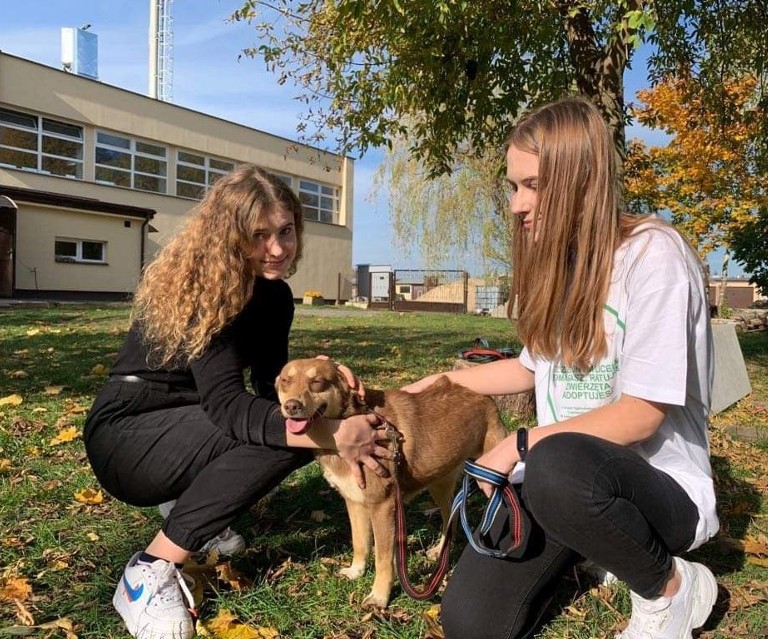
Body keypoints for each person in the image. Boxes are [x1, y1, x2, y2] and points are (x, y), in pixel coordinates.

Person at [403, 97, 719, 639]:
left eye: (533, 185)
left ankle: (672, 589)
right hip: (554, 483)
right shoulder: (559, 267)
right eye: (512, 186)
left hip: (655, 490)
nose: (516, 205)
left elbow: (641, 416)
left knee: (556, 460)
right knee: (471, 624)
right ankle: (592, 545)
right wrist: (439, 384)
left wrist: (521, 444)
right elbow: (530, 370)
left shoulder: (653, 256)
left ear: (582, 180)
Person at [84, 165, 390, 639]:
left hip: (186, 420)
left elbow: (273, 396)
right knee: (294, 439)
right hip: (127, 435)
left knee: (293, 427)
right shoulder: (207, 292)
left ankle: (191, 506)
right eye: (259, 234)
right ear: (229, 237)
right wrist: (331, 434)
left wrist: (324, 390)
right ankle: (150, 570)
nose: (277, 247)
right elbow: (229, 407)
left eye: (286, 231)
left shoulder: (275, 296)